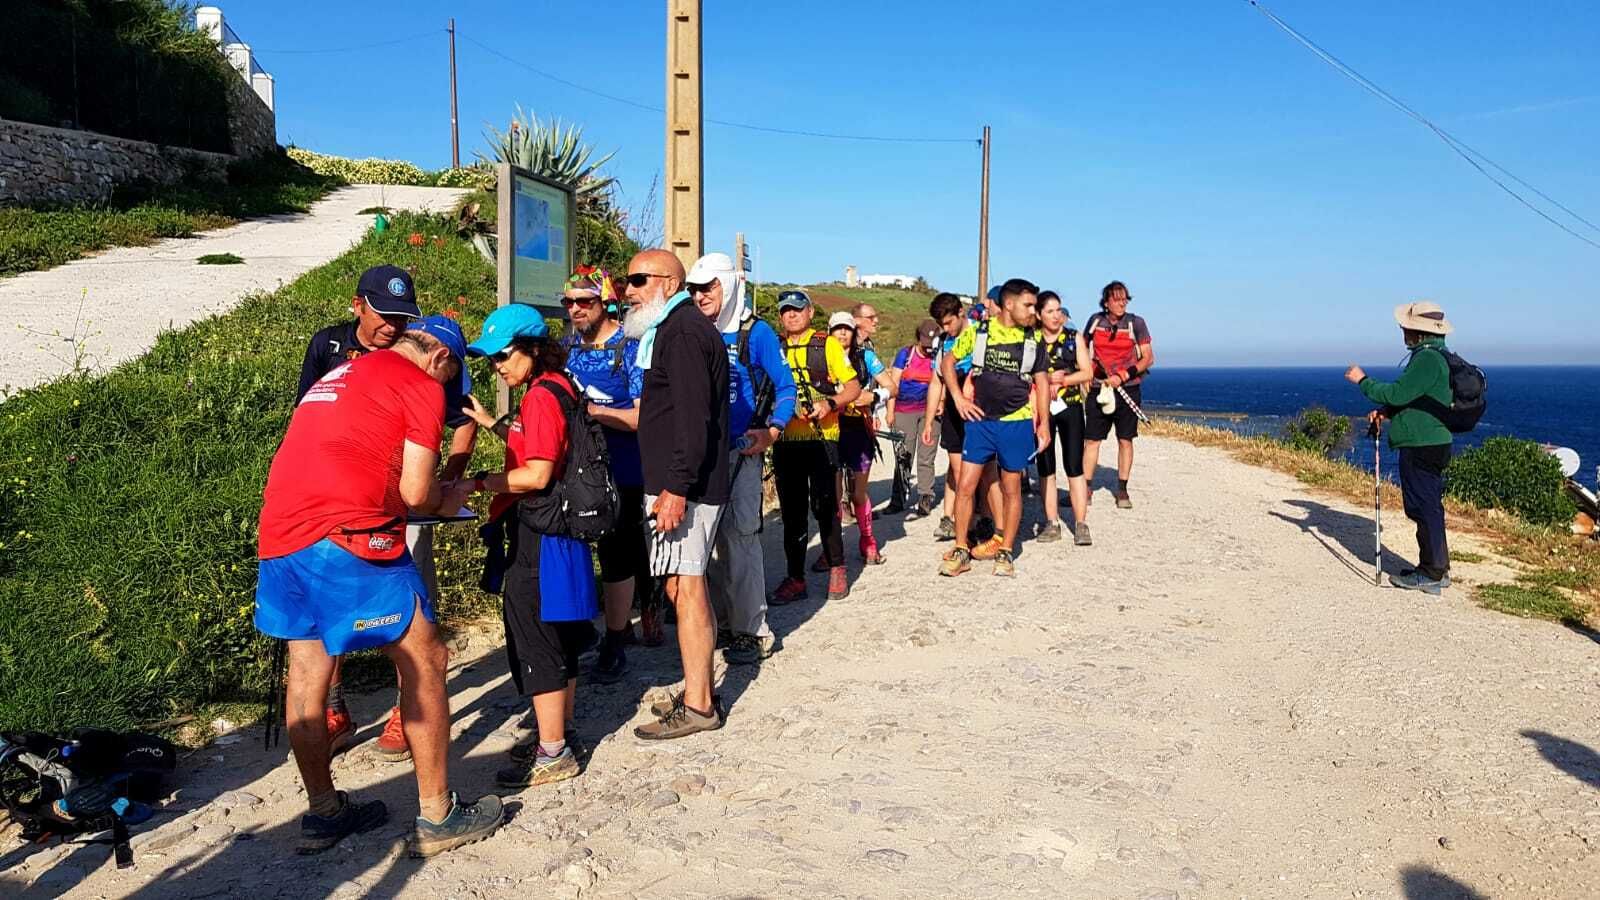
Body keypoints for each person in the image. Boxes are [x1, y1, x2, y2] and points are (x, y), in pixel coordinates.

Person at [256, 315, 502, 857]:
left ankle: (324, 812)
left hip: (279, 536)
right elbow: (416, 493)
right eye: (451, 382)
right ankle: (439, 814)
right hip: (346, 538)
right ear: (441, 360)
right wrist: (449, 498)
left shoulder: (345, 373)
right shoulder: (420, 384)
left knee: (307, 669)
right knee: (425, 658)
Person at [295, 265, 478, 764]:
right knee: (330, 628)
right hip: (342, 508)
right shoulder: (330, 347)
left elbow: (460, 421)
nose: (392, 327)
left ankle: (404, 710)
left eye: (403, 318)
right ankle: (339, 716)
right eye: (384, 314)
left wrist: (449, 475)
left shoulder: (424, 367)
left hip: (384, 507)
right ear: (358, 305)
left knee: (412, 623)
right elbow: (307, 412)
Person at [454, 303, 594, 789]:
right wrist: (493, 422)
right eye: (491, 359)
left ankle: (552, 751)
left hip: (542, 530)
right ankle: (560, 732)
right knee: (560, 633)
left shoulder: (539, 397)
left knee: (535, 635)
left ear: (533, 349)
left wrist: (476, 484)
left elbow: (535, 473)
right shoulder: (560, 386)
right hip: (565, 530)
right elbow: (543, 445)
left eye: (504, 356)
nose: (498, 366)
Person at [628, 249, 731, 740]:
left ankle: (699, 705)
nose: (628, 290)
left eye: (638, 279)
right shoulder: (671, 330)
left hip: (684, 487)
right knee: (681, 586)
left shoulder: (684, 332)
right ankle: (699, 687)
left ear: (668, 283)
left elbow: (694, 418)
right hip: (676, 484)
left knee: (687, 587)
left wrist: (676, 488)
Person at [687, 252, 797, 666]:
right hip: (700, 454)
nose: (701, 297)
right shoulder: (693, 329)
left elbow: (786, 387)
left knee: (742, 539)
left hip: (740, 453)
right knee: (703, 542)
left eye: (709, 287)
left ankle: (753, 631)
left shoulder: (757, 333)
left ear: (729, 285)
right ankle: (719, 624)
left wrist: (771, 432)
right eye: (694, 289)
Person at [557, 267, 649, 683]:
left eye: (585, 301)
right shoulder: (566, 346)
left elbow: (640, 416)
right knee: (573, 543)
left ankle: (615, 639)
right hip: (577, 468)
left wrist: (595, 413)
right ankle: (589, 628)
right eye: (569, 302)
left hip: (624, 468)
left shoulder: (628, 347)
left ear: (605, 302)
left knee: (617, 552)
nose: (575, 309)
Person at [938, 278, 1050, 578]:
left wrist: (1044, 426)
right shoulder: (978, 332)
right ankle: (961, 549)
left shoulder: (1033, 340)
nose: (1033, 311)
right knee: (965, 486)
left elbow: (1041, 383)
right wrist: (958, 398)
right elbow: (947, 362)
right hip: (980, 423)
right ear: (1009, 304)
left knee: (1012, 488)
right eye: (1028, 305)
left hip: (1017, 422)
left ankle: (1005, 550)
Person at [1345, 301, 1457, 595]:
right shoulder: (1436, 356)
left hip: (1422, 443)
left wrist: (1363, 381)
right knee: (1428, 505)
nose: (1403, 331)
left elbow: (1399, 392)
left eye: (1406, 327)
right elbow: (1416, 399)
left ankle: (1432, 572)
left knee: (1423, 506)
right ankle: (1435, 568)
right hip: (1432, 440)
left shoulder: (1427, 360)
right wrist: (1388, 412)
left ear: (1418, 331)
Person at [770, 290, 863, 604]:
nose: (791, 315)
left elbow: (853, 386)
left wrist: (830, 404)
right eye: (785, 310)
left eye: (797, 309)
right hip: (785, 440)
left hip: (823, 438)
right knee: (792, 514)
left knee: (825, 507)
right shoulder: (774, 345)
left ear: (809, 312)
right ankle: (795, 578)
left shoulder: (827, 345)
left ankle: (837, 567)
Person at [922, 293, 1002, 545]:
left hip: (982, 410)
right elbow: (937, 382)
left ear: (960, 313)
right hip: (954, 413)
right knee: (959, 471)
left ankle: (989, 520)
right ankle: (964, 528)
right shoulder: (942, 342)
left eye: (948, 323)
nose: (946, 329)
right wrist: (927, 422)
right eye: (941, 325)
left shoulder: (984, 333)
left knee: (987, 470)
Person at [830, 310, 895, 564]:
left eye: (847, 328)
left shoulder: (865, 356)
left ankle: (868, 541)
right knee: (833, 496)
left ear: (854, 332)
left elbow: (892, 386)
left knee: (859, 493)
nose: (843, 333)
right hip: (831, 430)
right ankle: (832, 550)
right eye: (837, 329)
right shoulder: (822, 357)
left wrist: (875, 397)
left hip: (858, 428)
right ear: (830, 332)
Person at [1083, 280, 1154, 510]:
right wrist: (1085, 375)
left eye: (1125, 299)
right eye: (1117, 299)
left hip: (1128, 389)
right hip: (1099, 388)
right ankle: (1085, 487)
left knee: (1125, 439)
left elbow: (1147, 359)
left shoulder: (1137, 323)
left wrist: (1122, 376)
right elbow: (1082, 350)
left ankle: (1122, 489)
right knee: (1092, 439)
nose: (1122, 303)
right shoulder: (1095, 322)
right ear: (1106, 302)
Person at [1034, 291, 1095, 545]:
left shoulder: (1073, 338)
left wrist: (1064, 380)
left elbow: (1088, 372)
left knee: (1074, 466)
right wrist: (1045, 380)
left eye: (1059, 310)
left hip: (1069, 406)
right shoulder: (1032, 339)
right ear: (1038, 315)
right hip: (1041, 408)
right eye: (1049, 311)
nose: (1056, 316)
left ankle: (1081, 524)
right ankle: (1052, 522)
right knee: (1046, 467)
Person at [890, 319, 941, 519]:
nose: (928, 350)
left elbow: (942, 382)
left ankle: (925, 497)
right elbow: (893, 384)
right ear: (918, 339)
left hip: (930, 411)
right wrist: (890, 411)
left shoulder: (939, 355)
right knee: (904, 456)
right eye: (925, 345)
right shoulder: (905, 354)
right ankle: (898, 498)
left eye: (932, 345)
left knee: (926, 456)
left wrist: (941, 402)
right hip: (904, 410)